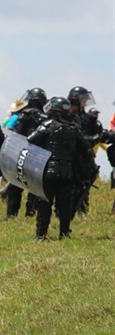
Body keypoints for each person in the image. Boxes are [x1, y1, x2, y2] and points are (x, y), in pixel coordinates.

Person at [28, 97, 96, 240]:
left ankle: (41, 235)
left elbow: (30, 140)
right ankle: (64, 234)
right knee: (64, 204)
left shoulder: (46, 125)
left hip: (47, 172)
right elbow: (87, 151)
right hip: (68, 173)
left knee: (44, 203)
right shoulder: (74, 129)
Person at [5, 88, 47, 218]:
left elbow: (15, 134)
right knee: (35, 186)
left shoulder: (22, 115)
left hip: (21, 153)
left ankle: (12, 214)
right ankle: (30, 213)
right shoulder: (46, 117)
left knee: (15, 184)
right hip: (38, 155)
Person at [67, 86, 102, 216]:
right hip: (72, 157)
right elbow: (76, 137)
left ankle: (82, 213)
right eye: (83, 101)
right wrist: (92, 138)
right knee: (70, 187)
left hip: (85, 156)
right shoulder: (68, 117)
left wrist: (96, 126)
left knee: (84, 186)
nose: (85, 104)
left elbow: (95, 133)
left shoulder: (85, 116)